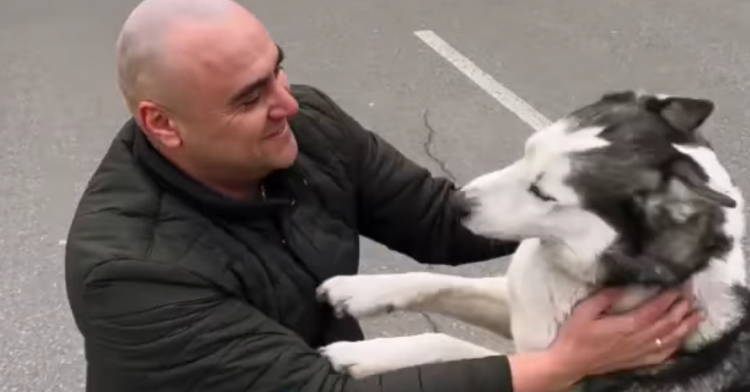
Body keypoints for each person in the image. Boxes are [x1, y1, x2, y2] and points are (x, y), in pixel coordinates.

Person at [63, 0, 703, 391]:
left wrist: (603, 201)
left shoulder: (304, 126)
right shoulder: (132, 274)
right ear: (163, 123)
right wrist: (557, 366)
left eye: (276, 68)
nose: (287, 102)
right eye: (249, 97)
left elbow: (442, 219)